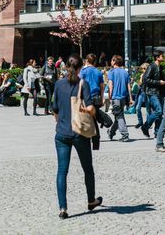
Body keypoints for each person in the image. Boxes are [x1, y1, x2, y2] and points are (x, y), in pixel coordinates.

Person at [50, 53, 102, 219]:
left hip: (61, 134)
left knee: (62, 172)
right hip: (79, 133)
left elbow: (55, 109)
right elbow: (90, 108)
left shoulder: (58, 84)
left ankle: (63, 208)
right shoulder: (83, 83)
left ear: (65, 66)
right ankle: (91, 200)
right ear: (80, 68)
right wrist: (93, 112)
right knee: (88, 169)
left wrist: (61, 122)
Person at [107, 55, 133, 142]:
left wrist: (110, 97)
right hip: (123, 98)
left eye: (111, 60)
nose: (111, 62)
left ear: (114, 62)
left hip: (116, 98)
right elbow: (129, 86)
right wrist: (130, 98)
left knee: (119, 116)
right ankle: (111, 132)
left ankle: (125, 134)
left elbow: (111, 86)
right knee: (118, 116)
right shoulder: (125, 72)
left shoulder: (111, 72)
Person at [140, 51, 165, 138]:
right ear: (157, 57)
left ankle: (157, 133)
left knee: (159, 113)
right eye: (162, 56)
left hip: (160, 93)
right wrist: (159, 82)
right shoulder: (151, 66)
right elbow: (145, 79)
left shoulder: (161, 67)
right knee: (159, 111)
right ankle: (145, 126)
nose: (164, 57)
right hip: (152, 93)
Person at [133, 63, 149, 128]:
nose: (142, 70)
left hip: (147, 93)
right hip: (141, 93)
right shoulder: (142, 75)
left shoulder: (149, 75)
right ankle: (140, 122)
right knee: (137, 108)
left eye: (143, 68)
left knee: (148, 109)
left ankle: (147, 123)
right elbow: (140, 83)